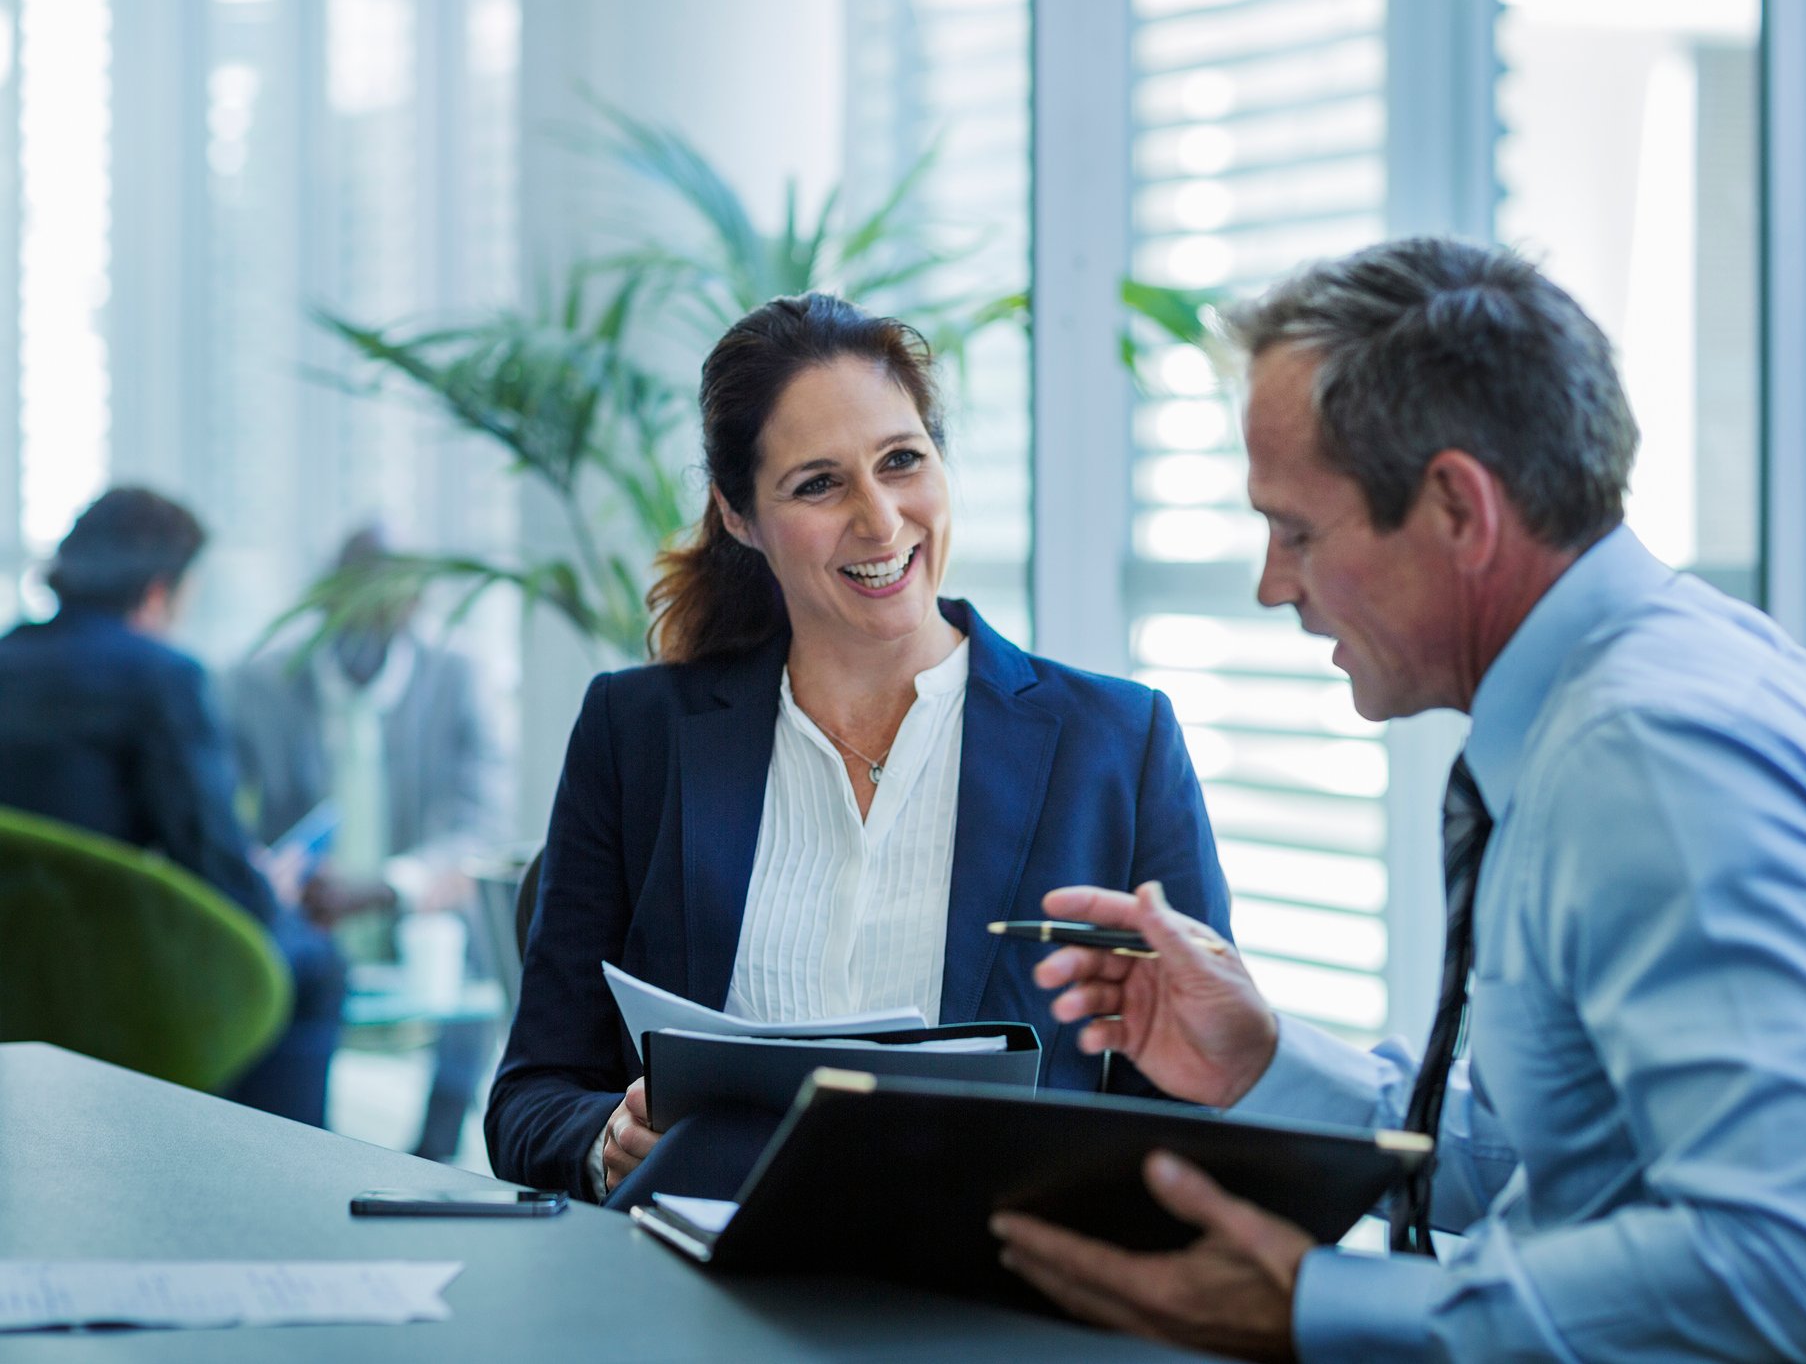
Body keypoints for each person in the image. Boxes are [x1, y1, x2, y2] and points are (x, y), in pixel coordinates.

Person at [990, 238, 1806, 1361]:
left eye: (1297, 530)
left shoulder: (1649, 760)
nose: (1272, 583)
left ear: (1456, 509)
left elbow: (1792, 1271)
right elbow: (1579, 1165)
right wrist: (1265, 1061)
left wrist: (1314, 1309)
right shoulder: (1648, 685)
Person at [485, 292, 1231, 1203]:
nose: (880, 522)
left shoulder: (1117, 745)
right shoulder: (635, 736)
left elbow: (1193, 1112)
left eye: (902, 461)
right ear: (738, 514)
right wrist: (605, 1139)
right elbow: (530, 1098)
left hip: (982, 1307)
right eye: (818, 484)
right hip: (699, 1304)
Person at [0, 488, 346, 1125]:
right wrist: (266, 886)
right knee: (315, 962)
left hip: (14, 989)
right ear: (159, 592)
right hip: (116, 982)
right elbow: (215, 870)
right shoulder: (162, 676)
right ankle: (279, 1182)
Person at [224, 525, 506, 1160]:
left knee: (490, 932)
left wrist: (390, 887)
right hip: (300, 910)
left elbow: (480, 822)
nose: (365, 630)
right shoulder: (257, 685)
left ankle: (436, 1146)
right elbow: (219, 820)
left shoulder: (456, 679)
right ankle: (290, 1140)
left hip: (416, 912)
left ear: (412, 612)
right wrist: (268, 872)